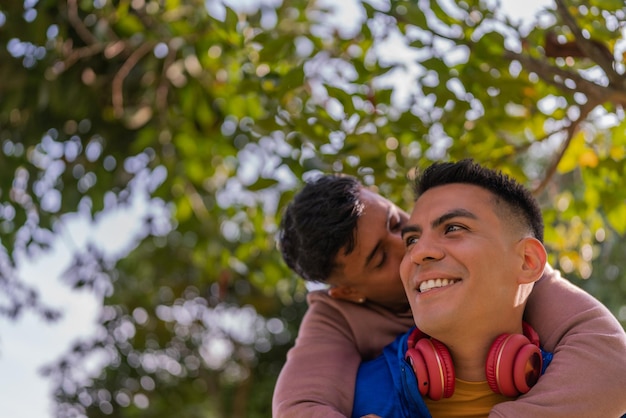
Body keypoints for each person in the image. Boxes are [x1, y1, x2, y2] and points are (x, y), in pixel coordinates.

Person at [273, 169, 626, 417]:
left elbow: (611, 357)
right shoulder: (333, 319)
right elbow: (300, 406)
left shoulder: (510, 265)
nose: (413, 249)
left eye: (398, 224)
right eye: (380, 258)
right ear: (348, 293)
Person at [352, 159, 553, 417]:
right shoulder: (353, 401)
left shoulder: (602, 397)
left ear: (528, 261)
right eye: (412, 240)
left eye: (453, 228)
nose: (419, 253)